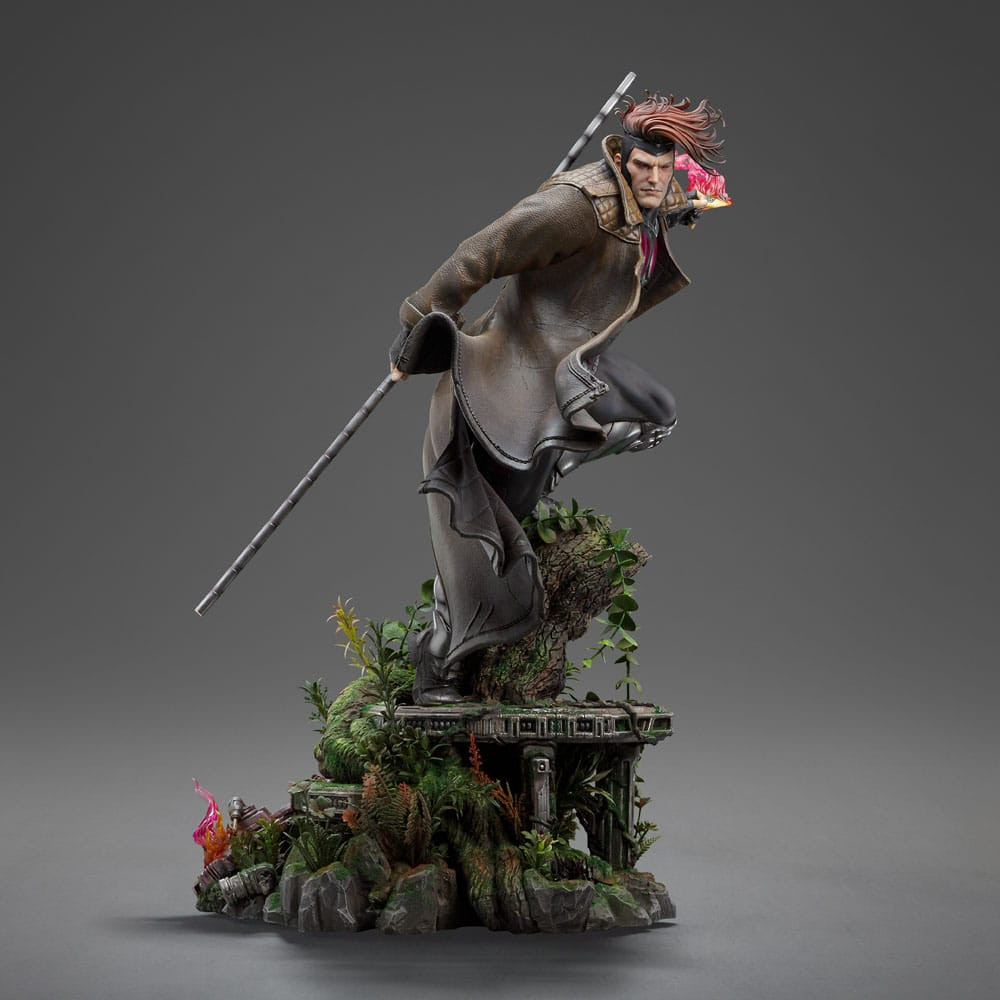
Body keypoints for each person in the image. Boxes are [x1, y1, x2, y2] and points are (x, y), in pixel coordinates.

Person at [389, 93, 725, 704]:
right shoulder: (576, 207)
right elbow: (481, 251)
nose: (655, 179)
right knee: (490, 534)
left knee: (657, 413)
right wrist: (418, 320)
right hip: (516, 373)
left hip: (571, 365)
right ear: (620, 159)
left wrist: (689, 204)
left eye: (664, 168)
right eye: (643, 167)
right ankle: (439, 662)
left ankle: (554, 461)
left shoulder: (657, 190)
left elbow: (683, 192)